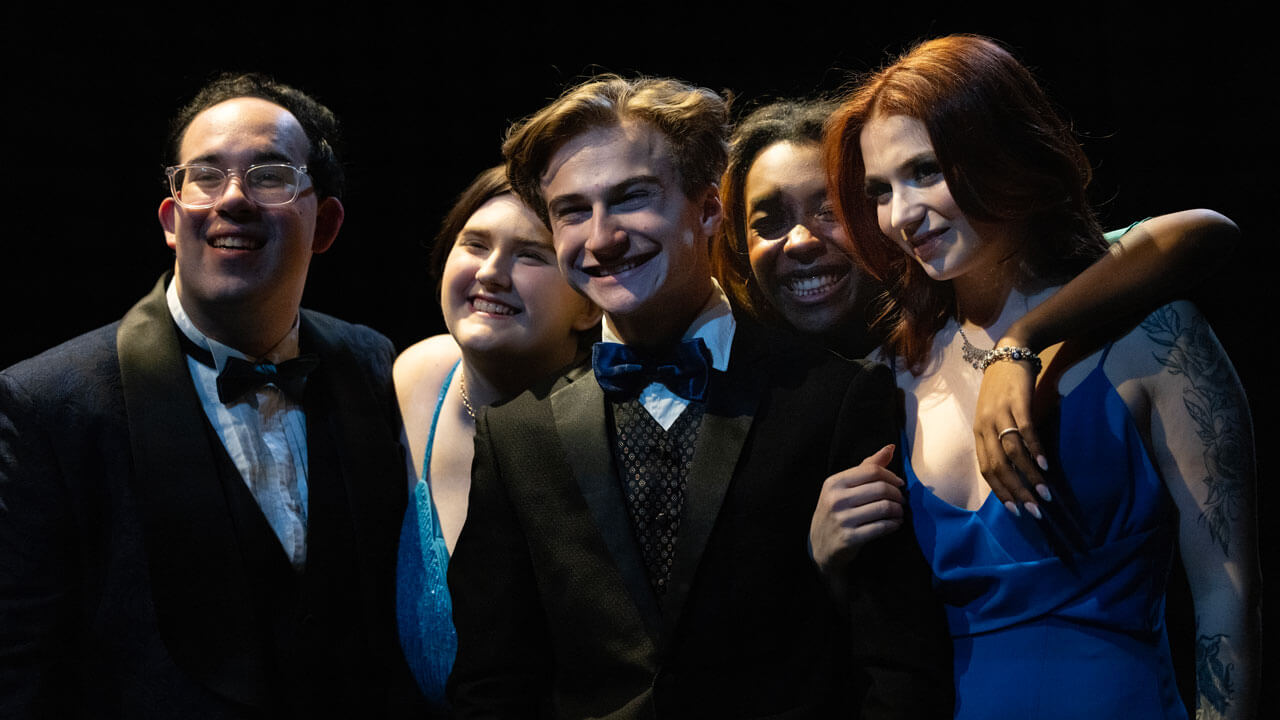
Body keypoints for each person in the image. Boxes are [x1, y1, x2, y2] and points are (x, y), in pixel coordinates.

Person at [447, 75, 954, 717]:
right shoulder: (516, 435)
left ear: (709, 209)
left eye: (632, 198)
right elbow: (491, 683)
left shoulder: (836, 397)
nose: (602, 236)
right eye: (573, 211)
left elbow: (898, 666)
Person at [816, 35, 1259, 719]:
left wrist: (1020, 344)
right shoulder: (894, 376)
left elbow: (1227, 596)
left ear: (1003, 152)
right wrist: (827, 560)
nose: (900, 214)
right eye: (881, 190)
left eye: (926, 171)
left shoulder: (1151, 337)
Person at [0, 73, 422, 717]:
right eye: (206, 175)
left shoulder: (373, 363)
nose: (233, 199)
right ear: (172, 220)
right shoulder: (46, 403)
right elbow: (18, 670)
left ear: (326, 224)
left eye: (270, 175)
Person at [712, 97, 1240, 513]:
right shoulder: (752, 397)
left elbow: (1193, 233)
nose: (801, 240)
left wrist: (1017, 341)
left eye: (830, 210)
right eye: (769, 222)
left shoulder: (964, 310)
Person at [392, 165, 600, 712]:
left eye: (530, 254)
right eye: (474, 244)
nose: (491, 272)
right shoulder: (417, 377)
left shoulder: (607, 424)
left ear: (589, 303)